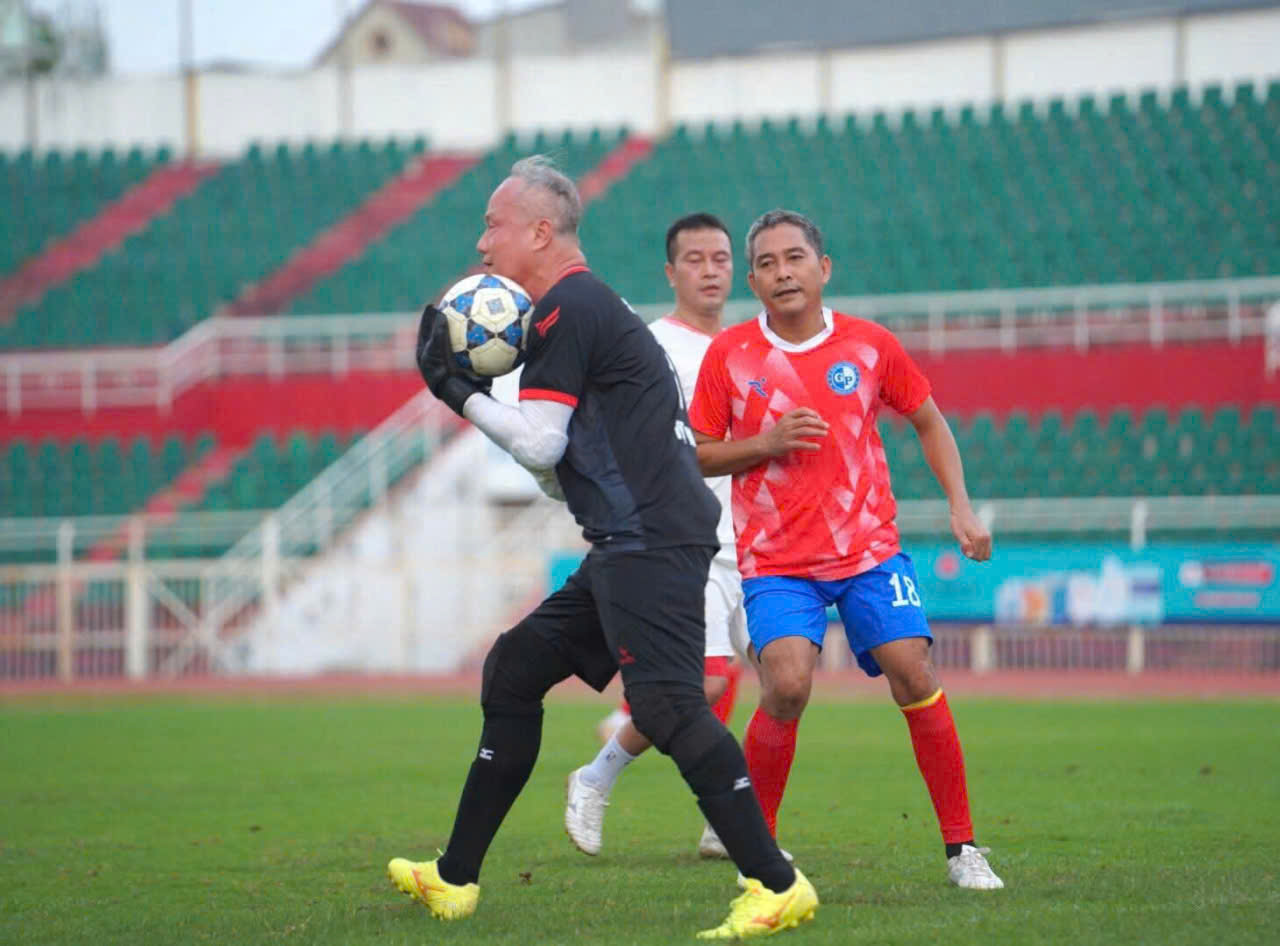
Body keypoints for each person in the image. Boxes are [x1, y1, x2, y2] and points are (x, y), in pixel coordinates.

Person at [387, 161, 818, 938]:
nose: (482, 244)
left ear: (540, 232)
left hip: (649, 537)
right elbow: (560, 465)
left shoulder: (570, 307)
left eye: (493, 225)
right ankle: (454, 878)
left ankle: (777, 884)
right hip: (635, 534)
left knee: (668, 706)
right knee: (514, 670)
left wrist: (453, 388)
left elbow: (541, 442)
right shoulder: (582, 310)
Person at [687, 209, 1005, 891]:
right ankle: (757, 858)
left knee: (913, 671)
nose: (783, 272)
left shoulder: (870, 345)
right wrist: (766, 444)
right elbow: (699, 454)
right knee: (787, 684)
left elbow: (928, 420)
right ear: (753, 281)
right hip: (777, 562)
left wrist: (960, 506)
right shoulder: (730, 355)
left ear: (823, 268)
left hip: (869, 552)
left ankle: (963, 849)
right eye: (767, 263)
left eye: (794, 258)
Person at [564, 212, 750, 861]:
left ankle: (725, 821)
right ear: (671, 272)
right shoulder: (653, 348)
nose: (709, 271)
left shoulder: (749, 347)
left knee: (777, 679)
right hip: (686, 543)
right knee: (705, 683)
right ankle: (596, 777)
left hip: (756, 541)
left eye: (720, 259)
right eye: (695, 260)